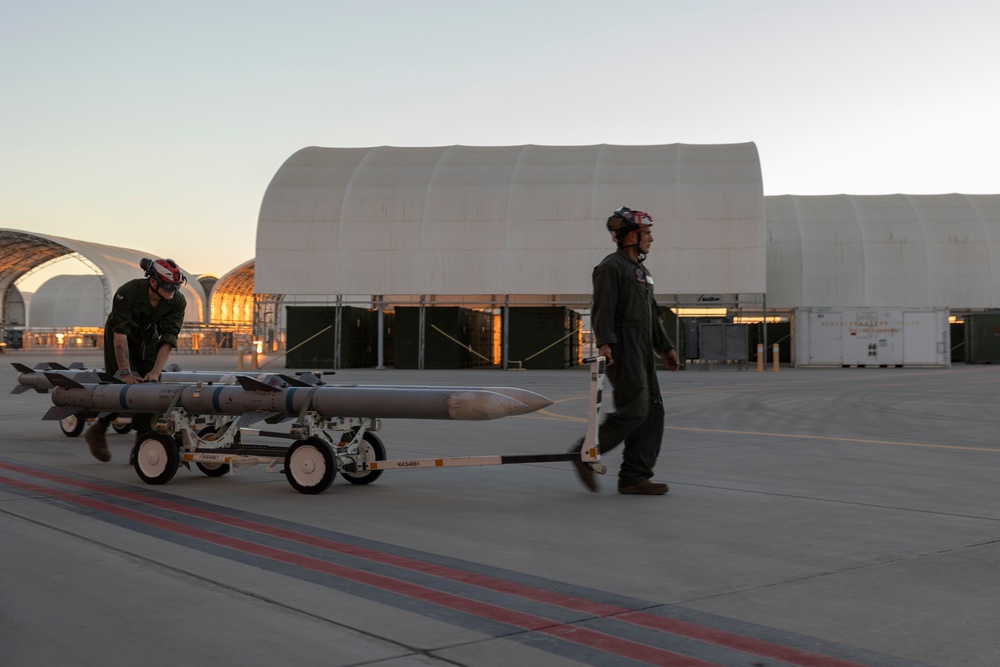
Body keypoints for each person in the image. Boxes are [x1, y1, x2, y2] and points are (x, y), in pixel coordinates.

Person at [571, 206, 680, 495]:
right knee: (635, 409)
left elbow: (651, 315)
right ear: (633, 235)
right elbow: (602, 308)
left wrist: (665, 347)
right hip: (623, 347)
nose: (651, 239)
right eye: (647, 233)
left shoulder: (642, 272)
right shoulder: (611, 267)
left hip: (643, 349)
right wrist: (605, 342)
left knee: (653, 412)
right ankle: (584, 454)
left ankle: (634, 476)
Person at [83, 258, 187, 462]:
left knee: (152, 388)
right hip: (120, 336)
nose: (172, 290)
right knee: (121, 386)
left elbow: (169, 337)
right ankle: (98, 430)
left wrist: (156, 371)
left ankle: (142, 444)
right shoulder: (127, 293)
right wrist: (125, 372)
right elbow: (120, 337)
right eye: (168, 286)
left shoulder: (176, 301)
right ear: (153, 282)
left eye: (176, 286)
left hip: (148, 337)